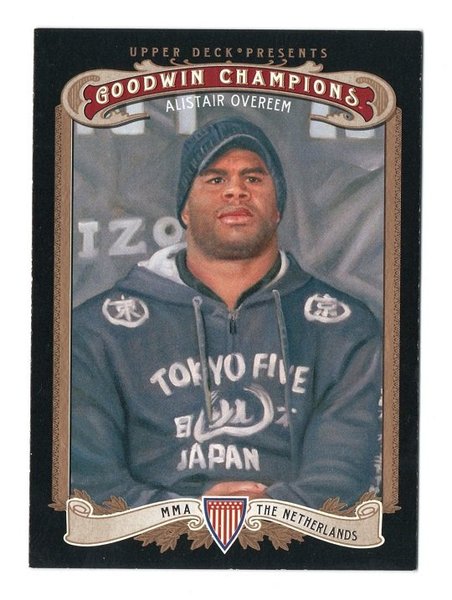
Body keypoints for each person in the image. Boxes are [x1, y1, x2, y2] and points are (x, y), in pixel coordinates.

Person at [71, 117, 381, 509]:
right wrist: (196, 507)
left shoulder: (344, 328)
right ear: (185, 209)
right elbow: (91, 483)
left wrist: (260, 512)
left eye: (253, 178)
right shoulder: (99, 329)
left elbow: (342, 478)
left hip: (297, 536)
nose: (236, 190)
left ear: (278, 208)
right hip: (150, 538)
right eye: (215, 179)